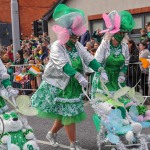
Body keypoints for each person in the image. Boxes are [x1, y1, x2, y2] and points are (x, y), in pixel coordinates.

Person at [31, 4, 101, 150]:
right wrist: (77, 75)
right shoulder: (57, 46)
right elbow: (62, 64)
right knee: (68, 115)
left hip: (73, 84)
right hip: (59, 84)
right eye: (73, 37)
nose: (76, 39)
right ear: (66, 34)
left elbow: (88, 58)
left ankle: (51, 133)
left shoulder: (77, 46)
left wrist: (100, 68)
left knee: (66, 115)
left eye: (77, 37)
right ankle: (73, 144)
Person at [92, 10, 135, 113]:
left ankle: (119, 126)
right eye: (120, 32)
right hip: (104, 78)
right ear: (113, 32)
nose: (122, 35)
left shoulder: (124, 46)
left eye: (124, 33)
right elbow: (97, 61)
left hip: (117, 79)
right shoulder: (105, 44)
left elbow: (126, 62)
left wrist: (122, 73)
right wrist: (101, 72)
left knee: (120, 107)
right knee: (107, 109)